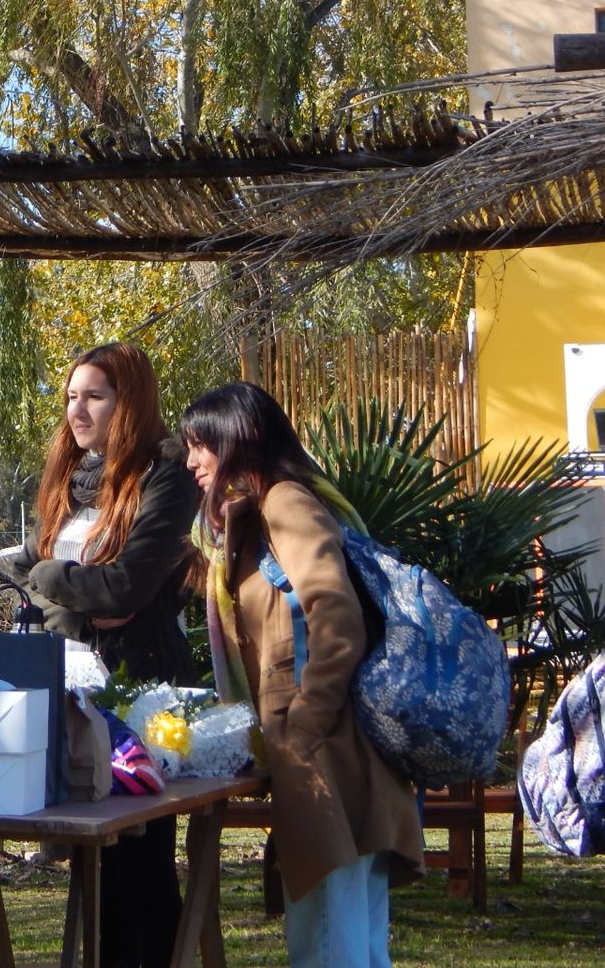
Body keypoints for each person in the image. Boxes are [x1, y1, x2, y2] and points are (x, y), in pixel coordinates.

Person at [180, 382, 424, 967]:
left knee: (329, 944)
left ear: (238, 439)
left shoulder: (285, 502)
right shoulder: (259, 513)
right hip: (327, 753)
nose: (190, 461)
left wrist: (305, 726)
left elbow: (337, 618)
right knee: (351, 944)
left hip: (332, 756)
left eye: (200, 444)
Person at [12, 342, 199, 968]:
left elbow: (126, 589)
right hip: (69, 685)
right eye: (72, 396)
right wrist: (73, 589)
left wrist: (50, 577)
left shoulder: (166, 476)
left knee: (141, 865)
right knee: (95, 871)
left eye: (94, 396)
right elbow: (62, 582)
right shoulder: (69, 481)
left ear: (130, 402)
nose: (77, 410)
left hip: (140, 692)